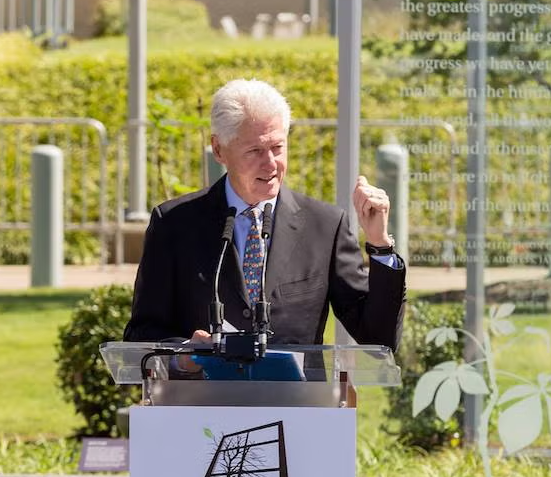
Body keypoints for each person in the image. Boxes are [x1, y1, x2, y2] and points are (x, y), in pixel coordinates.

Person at [122, 79, 406, 350]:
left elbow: (378, 337)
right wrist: (185, 353)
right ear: (219, 150)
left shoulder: (325, 226)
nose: (270, 164)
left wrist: (380, 244)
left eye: (277, 148)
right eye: (255, 150)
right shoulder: (174, 224)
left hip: (295, 398)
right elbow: (141, 335)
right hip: (203, 397)